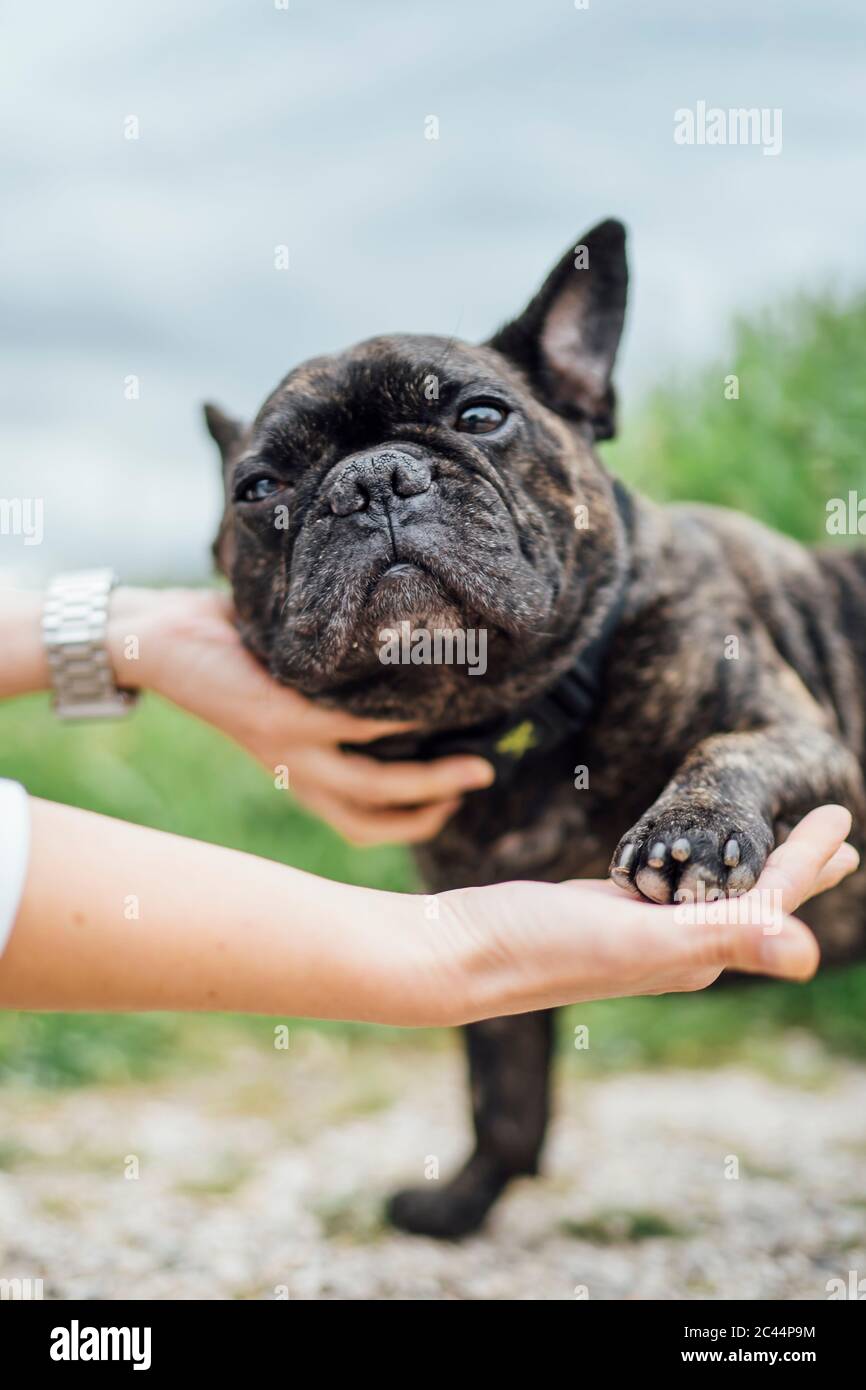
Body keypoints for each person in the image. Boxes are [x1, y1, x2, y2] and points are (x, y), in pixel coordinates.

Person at [0, 584, 858, 1025]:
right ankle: (502, 1152)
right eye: (266, 485)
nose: (384, 493)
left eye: (480, 421)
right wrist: (448, 946)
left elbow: (805, 743)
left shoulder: (679, 604)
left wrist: (128, 634)